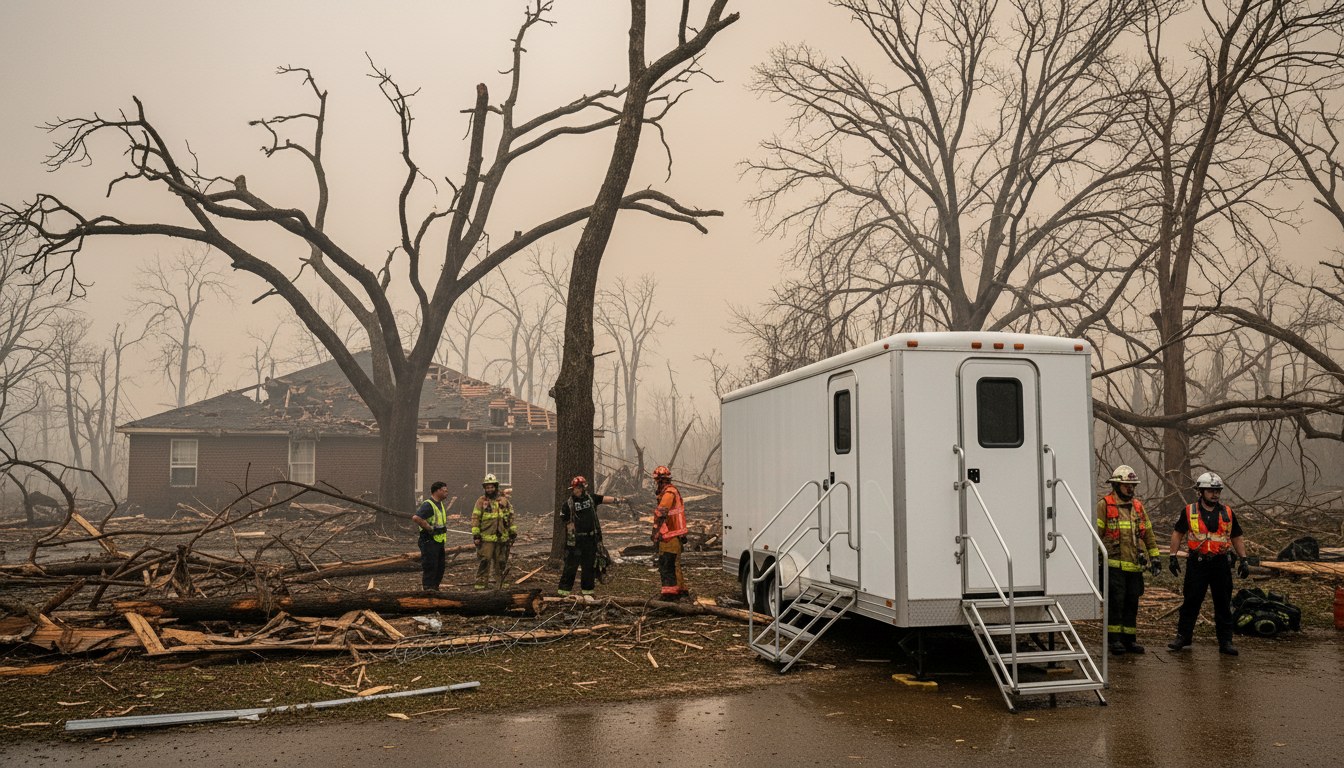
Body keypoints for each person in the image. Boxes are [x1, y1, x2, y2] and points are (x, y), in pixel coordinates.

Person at [1167, 472, 1251, 655]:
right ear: (1200, 491)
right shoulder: (1189, 511)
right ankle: (1183, 636)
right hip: (1197, 564)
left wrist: (1243, 559)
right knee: (1190, 602)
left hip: (1220, 564)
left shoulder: (1227, 512)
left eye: (1217, 491)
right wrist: (1172, 556)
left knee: (1223, 604)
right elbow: (1178, 533)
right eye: (1211, 491)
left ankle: (1225, 642)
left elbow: (1236, 536)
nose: (1215, 494)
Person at [1096, 465, 1162, 655]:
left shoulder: (1138, 507)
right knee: (1115, 603)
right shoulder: (1105, 505)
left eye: (1133, 485)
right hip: (1113, 566)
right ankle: (1114, 640)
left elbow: (1147, 533)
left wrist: (1155, 557)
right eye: (1127, 485)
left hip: (1134, 566)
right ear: (1116, 485)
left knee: (1132, 603)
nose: (1131, 489)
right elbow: (1096, 536)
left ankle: (1129, 640)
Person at [558, 476, 625, 597]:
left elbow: (604, 499)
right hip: (575, 542)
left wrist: (618, 500)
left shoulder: (592, 498)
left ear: (584, 488)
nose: (576, 491)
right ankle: (563, 593)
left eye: (578, 488)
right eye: (574, 488)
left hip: (590, 540)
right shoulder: (568, 504)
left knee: (589, 567)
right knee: (570, 567)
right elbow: (563, 518)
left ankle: (588, 593)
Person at [650, 465, 690, 601]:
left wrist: (655, 531)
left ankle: (670, 595)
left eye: (656, 481)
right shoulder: (671, 491)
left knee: (667, 565)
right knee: (675, 564)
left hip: (669, 535)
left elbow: (661, 512)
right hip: (676, 534)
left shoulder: (669, 493)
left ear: (659, 480)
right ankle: (681, 590)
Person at [472, 473, 516, 590]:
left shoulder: (504, 501)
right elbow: (476, 518)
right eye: (487, 487)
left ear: (496, 487)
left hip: (502, 537)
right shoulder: (481, 501)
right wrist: (476, 535)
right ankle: (481, 585)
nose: (490, 489)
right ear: (485, 488)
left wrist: (512, 531)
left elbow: (511, 516)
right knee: (485, 561)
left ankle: (501, 586)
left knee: (501, 562)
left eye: (491, 487)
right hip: (486, 538)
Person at [411, 481, 451, 591]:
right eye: (444, 490)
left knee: (440, 568)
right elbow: (416, 518)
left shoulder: (440, 504)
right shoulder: (428, 504)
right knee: (430, 568)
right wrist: (429, 528)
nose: (446, 493)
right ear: (437, 491)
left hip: (439, 541)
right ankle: (428, 591)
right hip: (429, 542)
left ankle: (435, 589)